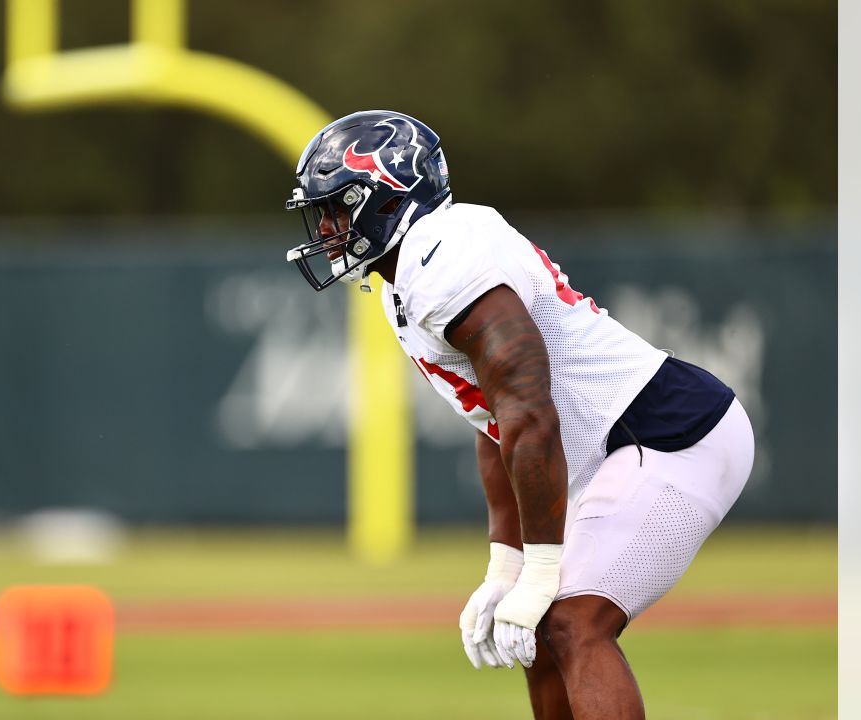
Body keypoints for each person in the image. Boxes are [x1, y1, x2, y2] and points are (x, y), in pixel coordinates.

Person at [282, 110, 754, 719]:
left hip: (669, 435)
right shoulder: (411, 278)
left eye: (339, 207)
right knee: (538, 636)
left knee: (570, 622)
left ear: (388, 198)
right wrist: (506, 565)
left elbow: (530, 415)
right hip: (621, 446)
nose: (326, 227)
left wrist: (542, 567)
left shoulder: (443, 258)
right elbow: (496, 423)